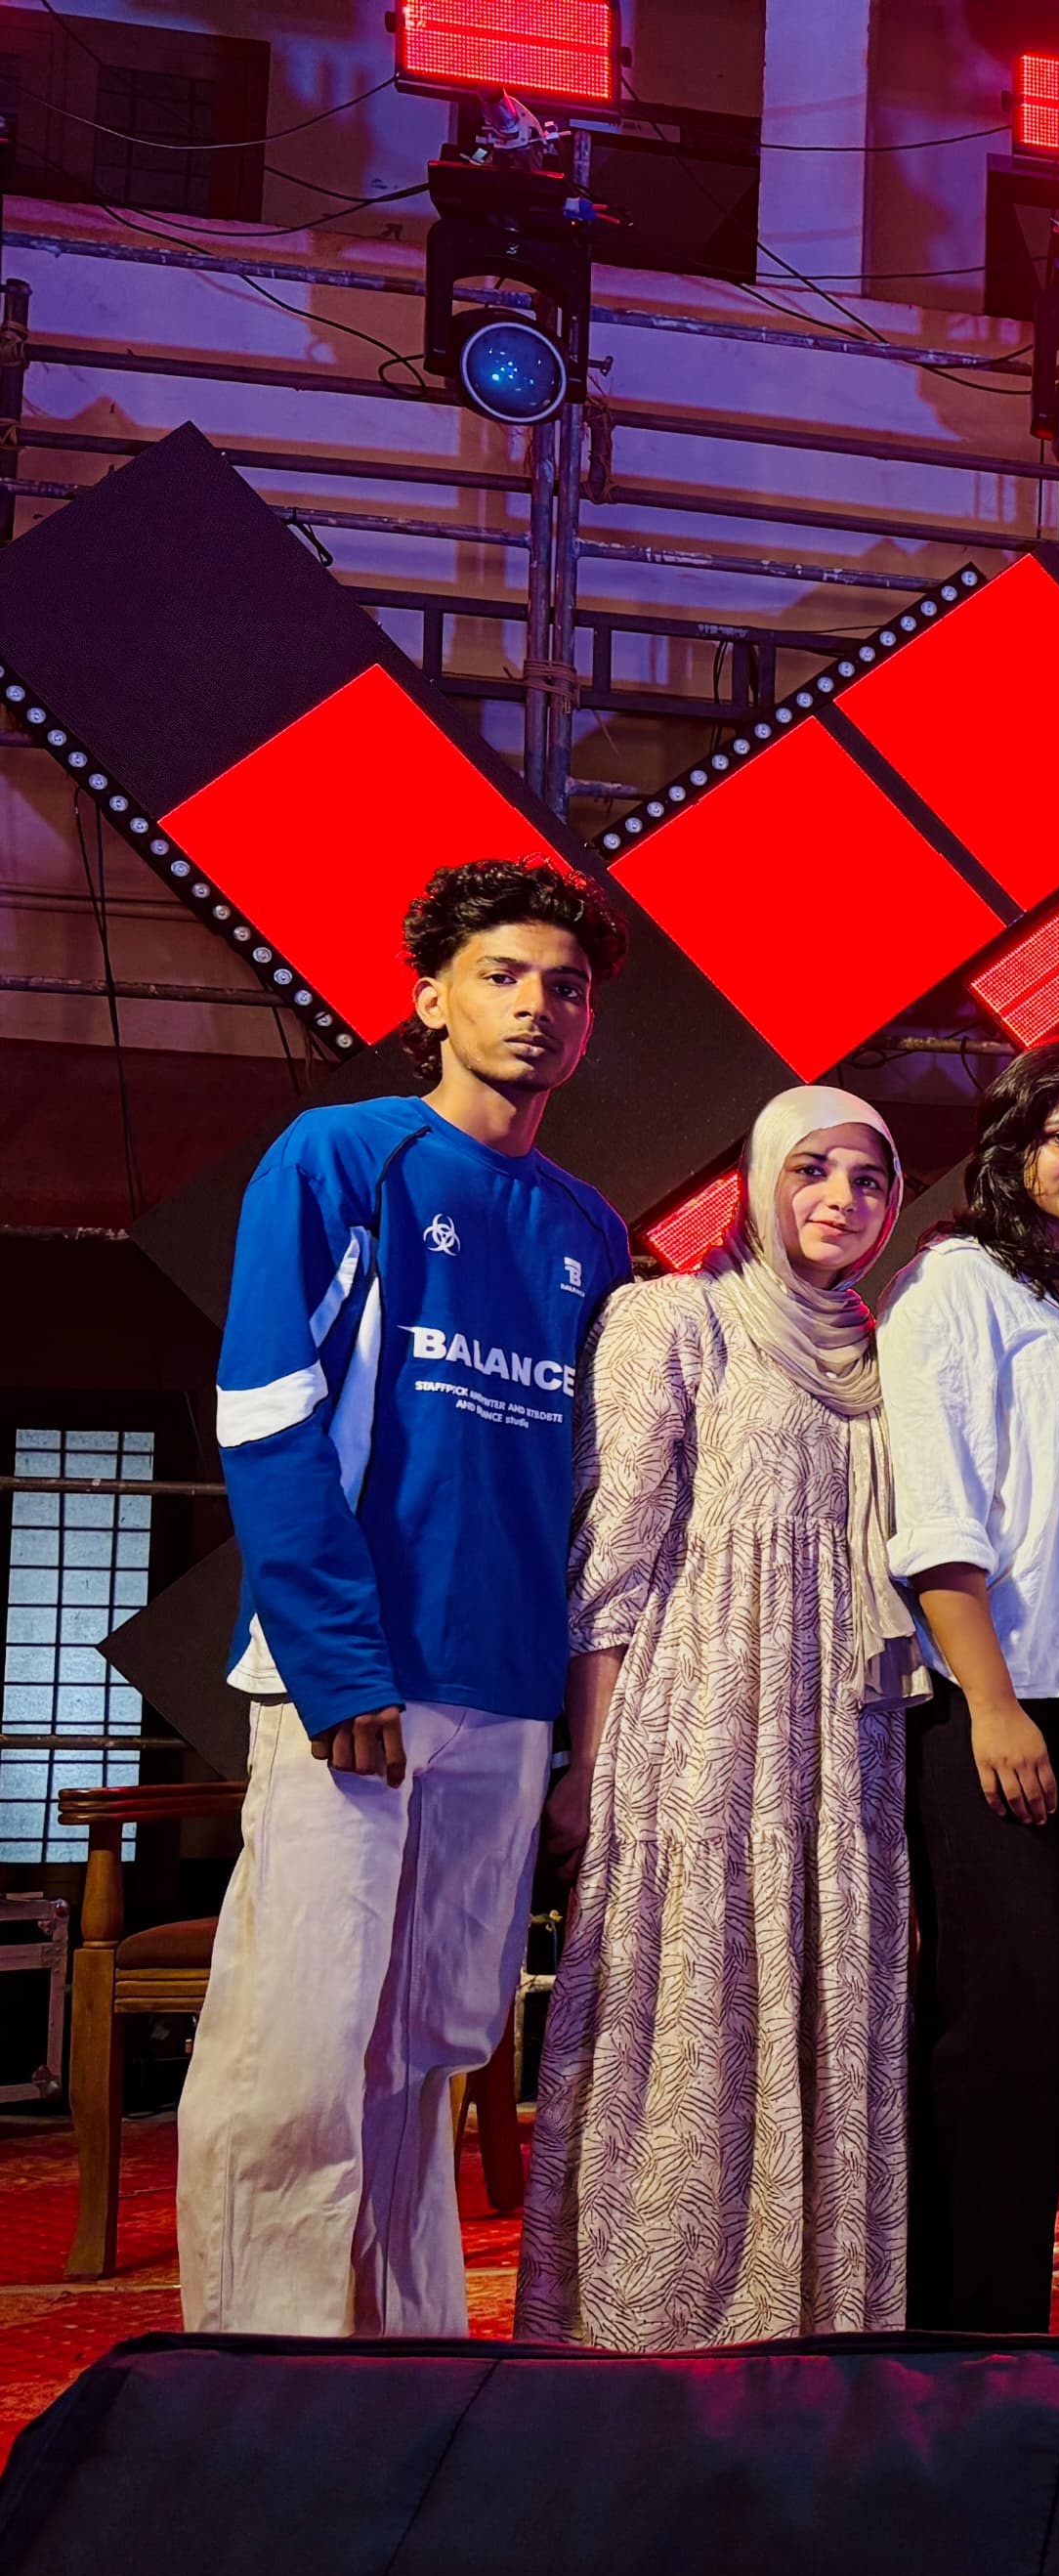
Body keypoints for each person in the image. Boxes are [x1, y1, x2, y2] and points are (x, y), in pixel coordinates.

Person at [181, 859, 633, 2336]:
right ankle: (258, 2387)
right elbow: (266, 1413)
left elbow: (583, 1493)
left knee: (427, 2053)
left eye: (564, 987)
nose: (536, 1006)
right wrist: (335, 1665)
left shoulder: (589, 1230)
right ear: (431, 998)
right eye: (503, 975)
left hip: (500, 1700)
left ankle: (405, 2369)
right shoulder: (340, 1158)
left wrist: (570, 1732)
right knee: (297, 2053)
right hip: (354, 1688)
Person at [517, 1087, 916, 2346]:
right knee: (685, 2005)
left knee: (824, 1997)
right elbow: (614, 1555)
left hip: (844, 1733)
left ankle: (806, 2320)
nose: (839, 1200)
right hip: (699, 1718)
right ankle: (651, 2323)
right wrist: (591, 1757)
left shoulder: (885, 1348)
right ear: (754, 1179)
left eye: (867, 1178)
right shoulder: (670, 1319)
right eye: (811, 1170)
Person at [883, 1042, 1059, 2332]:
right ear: (1011, 1147)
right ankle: (968, 2327)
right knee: (995, 2027)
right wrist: (990, 1702)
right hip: (990, 1698)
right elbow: (936, 1513)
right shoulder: (955, 1286)